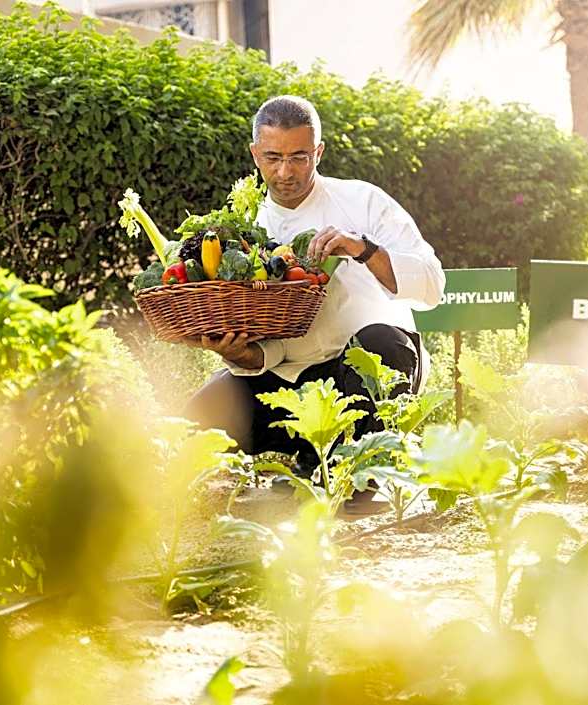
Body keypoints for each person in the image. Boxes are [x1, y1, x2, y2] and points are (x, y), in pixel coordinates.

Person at [183, 95, 445, 493]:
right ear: (255, 154)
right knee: (197, 419)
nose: (285, 172)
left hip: (371, 373)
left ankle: (359, 476)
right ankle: (312, 459)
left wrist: (364, 249)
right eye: (272, 157)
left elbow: (432, 284)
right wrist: (240, 354)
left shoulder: (363, 201)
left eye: (299, 157)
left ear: (318, 152)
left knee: (381, 342)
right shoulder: (245, 228)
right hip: (293, 384)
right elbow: (268, 350)